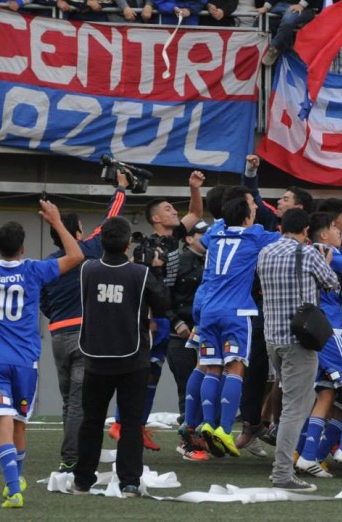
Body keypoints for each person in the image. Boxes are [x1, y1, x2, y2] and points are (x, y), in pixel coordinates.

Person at [0, 200, 83, 509]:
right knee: (18, 424)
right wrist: (57, 222)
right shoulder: (34, 270)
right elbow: (76, 256)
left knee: (2, 423)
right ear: (22, 248)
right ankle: (15, 482)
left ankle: (14, 487)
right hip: (25, 362)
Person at [72, 217, 170, 498]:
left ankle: (82, 479)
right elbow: (162, 305)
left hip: (95, 356)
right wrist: (155, 271)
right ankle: (129, 481)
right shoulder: (139, 273)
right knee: (130, 422)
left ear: (102, 242)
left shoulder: (87, 269)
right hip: (132, 359)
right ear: (128, 244)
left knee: (91, 421)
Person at [108, 171, 204, 450]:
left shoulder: (175, 238)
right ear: (155, 219)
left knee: (152, 375)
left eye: (174, 208)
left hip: (164, 318)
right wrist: (146, 318)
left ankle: (136, 426)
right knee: (139, 372)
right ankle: (120, 422)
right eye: (168, 209)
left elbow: (196, 212)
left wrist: (193, 187)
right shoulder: (146, 247)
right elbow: (138, 284)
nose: (175, 211)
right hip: (150, 319)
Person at [40, 178, 128, 474]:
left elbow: (44, 303)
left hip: (57, 336)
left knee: (69, 402)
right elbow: (110, 219)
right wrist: (121, 188)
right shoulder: (87, 250)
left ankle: (72, 452)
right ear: (76, 232)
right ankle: (71, 457)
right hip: (83, 335)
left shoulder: (49, 265)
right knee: (80, 402)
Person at [257, 208, 339, 492]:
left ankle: (282, 469)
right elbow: (332, 283)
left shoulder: (266, 252)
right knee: (296, 407)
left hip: (273, 339)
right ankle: (282, 473)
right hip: (300, 341)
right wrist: (325, 260)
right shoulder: (308, 254)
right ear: (305, 230)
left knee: (293, 402)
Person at [198, 186, 281, 457]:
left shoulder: (213, 234)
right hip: (236, 312)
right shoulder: (256, 235)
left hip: (208, 310)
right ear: (246, 217)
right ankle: (223, 429)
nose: (256, 210)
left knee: (211, 368)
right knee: (235, 368)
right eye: (252, 208)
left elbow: (204, 238)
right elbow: (285, 239)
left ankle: (208, 425)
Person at [295, 212, 342, 478]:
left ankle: (307, 457)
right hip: (330, 333)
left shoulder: (303, 252)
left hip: (314, 331)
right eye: (336, 228)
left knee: (325, 394)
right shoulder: (326, 251)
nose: (341, 232)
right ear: (324, 234)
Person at [167, 220, 209, 461]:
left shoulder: (212, 261)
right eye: (202, 234)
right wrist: (176, 322)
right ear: (189, 238)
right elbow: (164, 296)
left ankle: (200, 437)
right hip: (180, 334)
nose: (206, 238)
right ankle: (188, 442)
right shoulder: (180, 262)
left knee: (205, 386)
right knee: (188, 388)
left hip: (204, 332)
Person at [259, 0, 321, 66]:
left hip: (306, 8)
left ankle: (275, 48)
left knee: (288, 20)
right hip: (280, 5)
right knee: (259, 21)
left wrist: (301, 5)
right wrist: (266, 6)